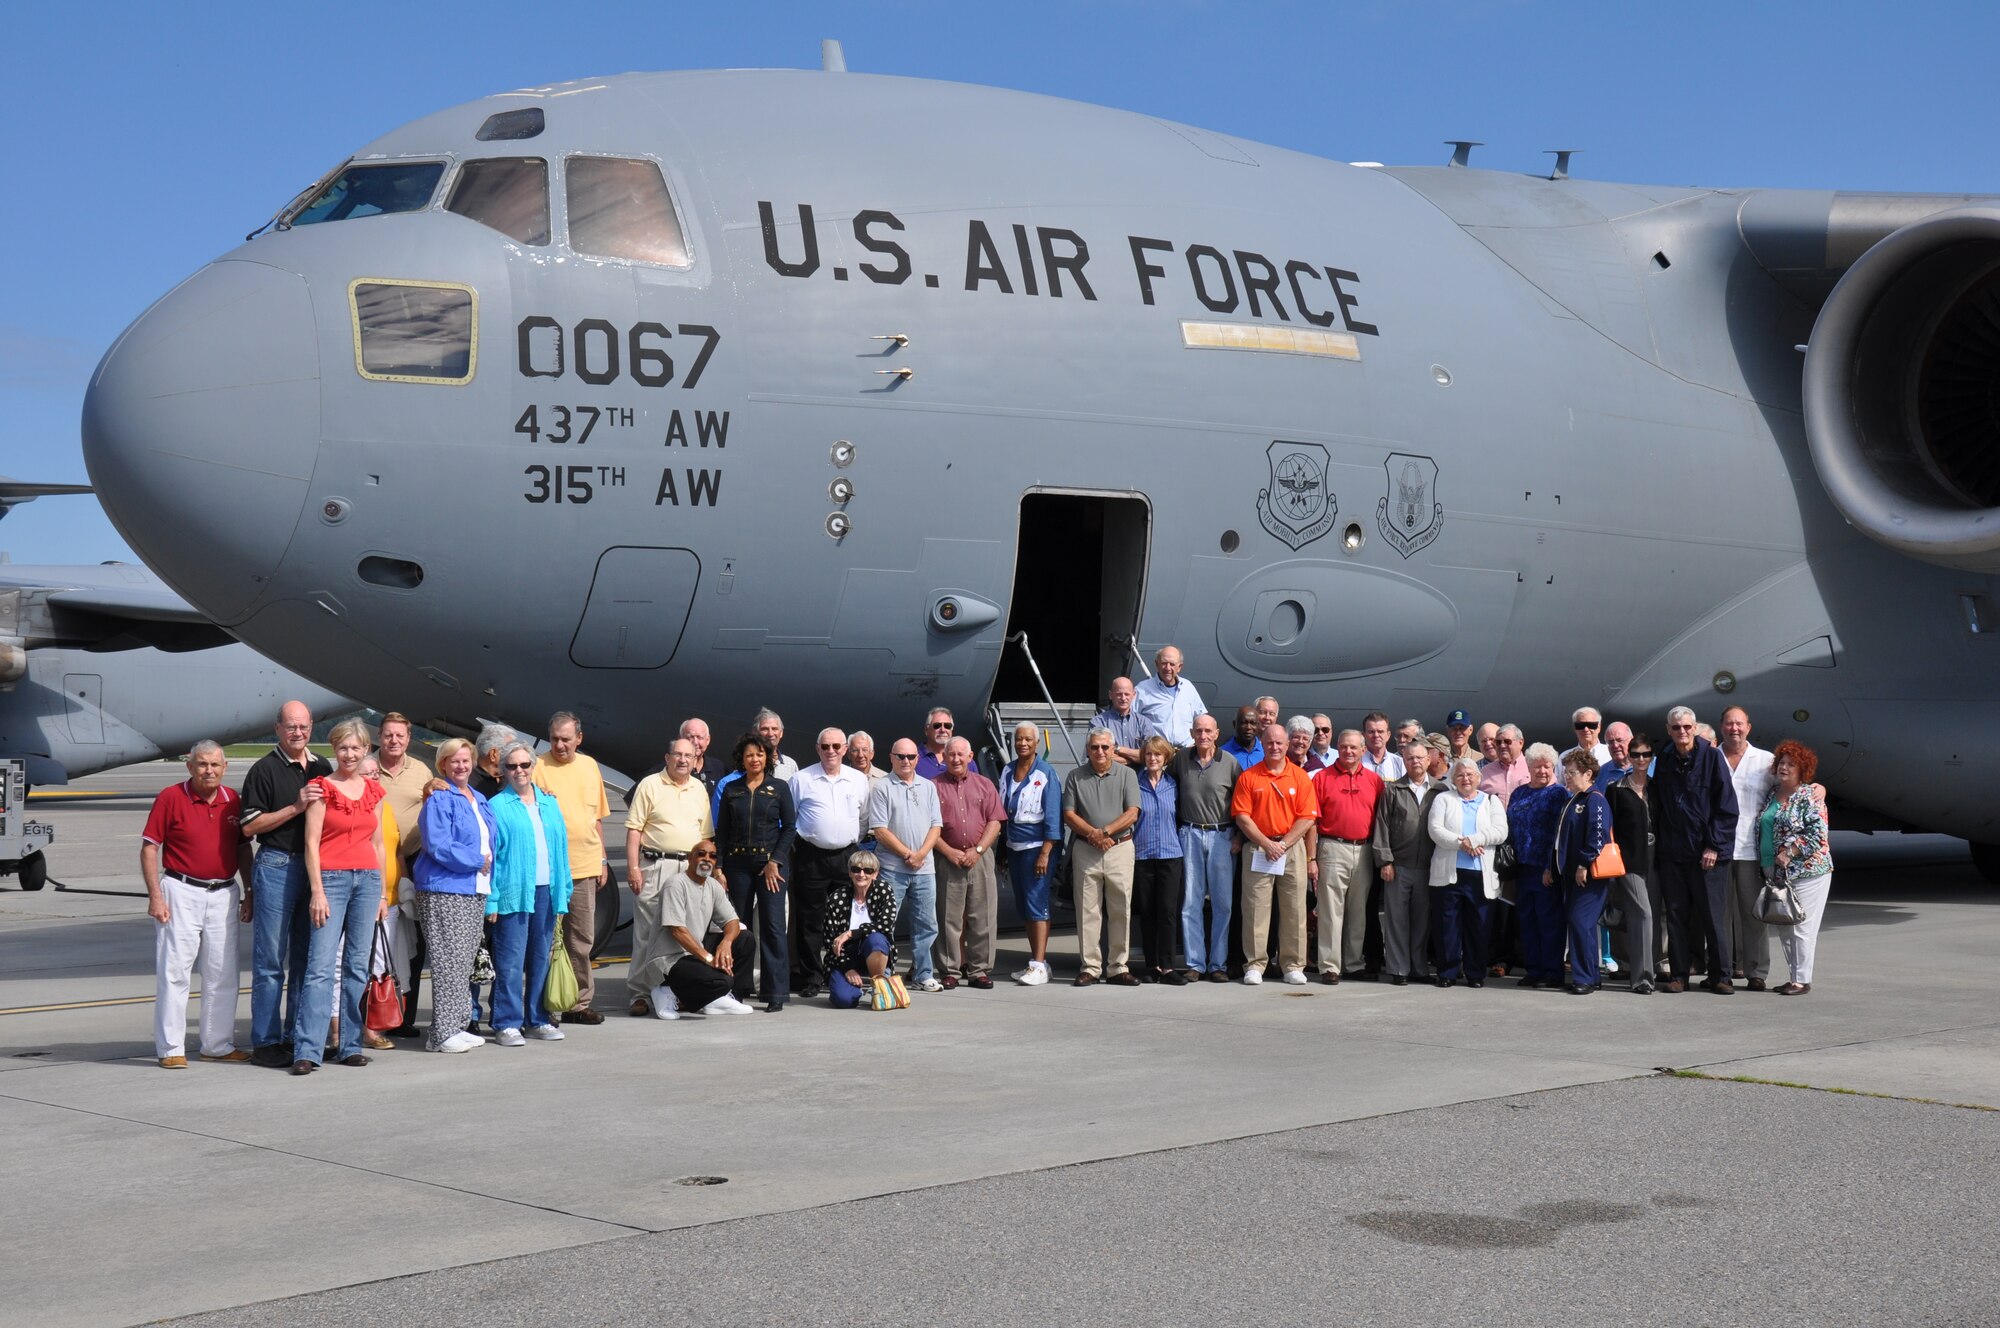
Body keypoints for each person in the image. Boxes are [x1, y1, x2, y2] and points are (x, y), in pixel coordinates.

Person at [142, 740, 253, 1069]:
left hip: (223, 892)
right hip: (180, 890)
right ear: (189, 767)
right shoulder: (170, 797)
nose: (209, 771)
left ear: (225, 767)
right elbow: (150, 849)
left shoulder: (234, 801)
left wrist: (251, 891)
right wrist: (155, 896)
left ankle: (217, 1044)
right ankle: (171, 1047)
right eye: (202, 764)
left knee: (222, 972)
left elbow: (244, 849)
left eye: (215, 765)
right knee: (175, 973)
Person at [239, 700, 331, 1067]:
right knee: (270, 961)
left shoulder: (322, 767)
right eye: (291, 726)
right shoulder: (264, 770)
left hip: (314, 870)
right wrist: (295, 807)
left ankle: (295, 1037)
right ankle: (265, 1041)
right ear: (277, 728)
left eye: (304, 726)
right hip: (277, 864)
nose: (298, 732)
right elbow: (249, 827)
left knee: (306, 960)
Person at [294, 718, 387, 1074]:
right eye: (343, 748)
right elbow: (311, 844)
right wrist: (317, 891)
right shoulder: (322, 788)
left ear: (366, 750)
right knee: (320, 967)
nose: (349, 754)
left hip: (367, 880)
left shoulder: (375, 792)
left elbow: (377, 844)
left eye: (356, 748)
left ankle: (350, 1044)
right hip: (331, 879)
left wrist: (381, 893)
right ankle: (309, 1048)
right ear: (334, 750)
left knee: (356, 966)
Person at [412, 738, 497, 1053]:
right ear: (443, 766)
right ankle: (442, 1033)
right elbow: (437, 844)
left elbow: (491, 843)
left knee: (463, 960)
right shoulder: (440, 797)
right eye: (454, 761)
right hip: (446, 887)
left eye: (465, 760)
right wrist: (476, 860)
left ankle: (457, 1024)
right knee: (448, 959)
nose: (461, 766)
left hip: (474, 887)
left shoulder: (476, 797)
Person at [486, 740, 571, 1046]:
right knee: (509, 960)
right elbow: (493, 858)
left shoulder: (549, 803)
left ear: (533, 767)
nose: (519, 771)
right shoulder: (496, 807)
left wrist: (565, 890)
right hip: (513, 892)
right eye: (512, 766)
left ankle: (536, 1018)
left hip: (546, 891)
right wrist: (492, 899)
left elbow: (560, 849)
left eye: (525, 765)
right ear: (502, 770)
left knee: (539, 958)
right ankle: (506, 1021)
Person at [1652, 706, 1739, 994]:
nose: (1682, 732)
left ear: (1695, 727)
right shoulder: (1663, 759)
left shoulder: (1712, 757)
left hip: (1707, 854)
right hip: (1673, 853)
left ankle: (1721, 976)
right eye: (1676, 728)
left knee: (1713, 917)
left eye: (1687, 727)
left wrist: (1714, 845)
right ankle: (1679, 974)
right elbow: (1658, 805)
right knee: (1676, 916)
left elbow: (1727, 807)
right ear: (1669, 730)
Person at [623, 739, 714, 1016]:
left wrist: (705, 874)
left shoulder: (698, 788)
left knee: (685, 934)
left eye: (688, 755)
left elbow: (705, 836)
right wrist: (633, 868)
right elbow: (634, 830)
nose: (683, 760)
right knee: (646, 933)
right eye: (678, 755)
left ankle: (677, 991)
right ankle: (639, 994)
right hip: (656, 864)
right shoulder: (650, 785)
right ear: (667, 757)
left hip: (688, 868)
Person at [532, 711, 611, 1026]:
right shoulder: (538, 766)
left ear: (579, 738)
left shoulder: (590, 766)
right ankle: (547, 1003)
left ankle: (578, 1004)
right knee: (548, 940)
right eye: (554, 739)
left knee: (581, 940)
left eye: (566, 739)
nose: (560, 745)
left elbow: (597, 818)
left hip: (585, 865)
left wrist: (603, 858)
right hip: (550, 869)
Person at [1230, 722, 1318, 986]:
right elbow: (1242, 817)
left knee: (1294, 908)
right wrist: (1267, 843)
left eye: (1280, 743)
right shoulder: (1250, 776)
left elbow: (1307, 817)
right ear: (1263, 743)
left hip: (1291, 849)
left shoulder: (1300, 777)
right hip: (1259, 847)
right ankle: (1255, 964)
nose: (1275, 747)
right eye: (1270, 742)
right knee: (1256, 908)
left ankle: (1292, 965)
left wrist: (1284, 843)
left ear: (1288, 744)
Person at [714, 731, 796, 1011]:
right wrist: (720, 867)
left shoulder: (780, 788)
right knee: (740, 927)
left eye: (759, 754)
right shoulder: (731, 789)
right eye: (749, 754)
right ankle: (738, 988)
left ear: (767, 757)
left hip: (769, 867)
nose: (755, 759)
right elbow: (722, 832)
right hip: (737, 866)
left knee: (773, 927)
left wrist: (776, 861)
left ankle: (776, 993)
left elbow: (790, 829)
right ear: (742, 758)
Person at [788, 728, 869, 999]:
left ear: (845, 749)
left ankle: (843, 971)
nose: (831, 751)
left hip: (846, 856)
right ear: (817, 748)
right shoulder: (801, 779)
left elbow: (863, 818)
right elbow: (792, 819)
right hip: (811, 856)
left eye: (836, 746)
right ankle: (811, 976)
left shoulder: (857, 779)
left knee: (848, 918)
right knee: (810, 919)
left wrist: (847, 842)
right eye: (826, 746)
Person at [1063, 728, 1142, 985]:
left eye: (1105, 747)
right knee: (1088, 910)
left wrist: (1105, 832)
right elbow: (1069, 815)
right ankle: (1091, 967)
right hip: (1086, 850)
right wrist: (1095, 835)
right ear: (1087, 749)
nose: (1100, 752)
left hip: (1119, 847)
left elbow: (1132, 812)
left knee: (1121, 908)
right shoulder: (1075, 776)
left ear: (1113, 748)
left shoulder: (1127, 774)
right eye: (1095, 747)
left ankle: (1118, 966)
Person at [648, 840, 755, 1018]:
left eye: (712, 856)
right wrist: (708, 958)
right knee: (722, 980)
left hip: (694, 953)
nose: (707, 859)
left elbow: (732, 922)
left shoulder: (713, 886)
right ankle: (664, 991)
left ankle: (724, 999)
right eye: (701, 854)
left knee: (745, 939)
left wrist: (726, 943)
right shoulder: (676, 884)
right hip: (670, 958)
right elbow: (677, 931)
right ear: (690, 858)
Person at [869, 737, 944, 991]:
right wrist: (907, 854)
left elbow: (937, 825)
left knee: (926, 925)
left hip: (925, 869)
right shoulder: (882, 787)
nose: (906, 761)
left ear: (917, 759)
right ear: (891, 757)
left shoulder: (928, 787)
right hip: (892, 868)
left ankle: (923, 974)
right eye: (900, 756)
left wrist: (921, 854)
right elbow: (879, 829)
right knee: (885, 922)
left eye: (911, 757)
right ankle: (886, 974)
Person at [373, 713, 432, 1039]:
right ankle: (375, 1015)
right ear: (379, 737)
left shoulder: (420, 771)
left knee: (413, 945)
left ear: (408, 739)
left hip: (413, 859)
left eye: (400, 736)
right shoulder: (367, 768)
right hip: (375, 862)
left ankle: (404, 1018)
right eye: (388, 735)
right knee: (378, 943)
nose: (394, 741)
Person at [1308, 729, 1382, 983]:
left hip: (1363, 849)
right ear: (1337, 748)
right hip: (1332, 847)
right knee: (1330, 909)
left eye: (1353, 747)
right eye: (1343, 747)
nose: (1348, 751)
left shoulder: (1374, 780)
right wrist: (1312, 858)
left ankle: (1353, 962)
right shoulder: (1322, 778)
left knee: (1358, 909)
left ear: (1363, 750)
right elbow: (1312, 821)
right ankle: (1329, 965)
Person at [1427, 757, 1509, 988]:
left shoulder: (1491, 801)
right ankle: (1448, 972)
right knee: (1447, 926)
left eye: (1470, 774)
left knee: (1479, 926)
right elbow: (1435, 830)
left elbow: (1500, 831)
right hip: (1448, 874)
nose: (1465, 779)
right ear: (1453, 779)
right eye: (1460, 775)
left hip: (1481, 875)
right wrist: (1460, 843)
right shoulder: (1443, 799)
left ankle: (1475, 973)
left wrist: (1474, 840)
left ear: (1478, 778)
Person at [932, 737, 1006, 989]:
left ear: (970, 756)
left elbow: (995, 821)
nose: (955, 759)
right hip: (946, 858)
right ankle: (949, 970)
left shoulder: (985, 785)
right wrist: (948, 851)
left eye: (960, 754)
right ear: (944, 757)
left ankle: (979, 970)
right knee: (947, 917)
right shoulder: (933, 787)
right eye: (951, 754)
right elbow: (928, 826)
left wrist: (978, 850)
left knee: (982, 916)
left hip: (980, 858)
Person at [1173, 713, 1239, 983]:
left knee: (1223, 903)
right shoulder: (1180, 760)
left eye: (1207, 731)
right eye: (1198, 730)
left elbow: (1241, 801)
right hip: (1190, 834)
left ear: (1216, 733)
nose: (1203, 735)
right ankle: (1195, 963)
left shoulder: (1230, 763)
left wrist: (1239, 837)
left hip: (1222, 835)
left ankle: (1218, 964)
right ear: (1191, 732)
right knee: (1191, 902)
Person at [1763, 740, 1832, 996]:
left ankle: (1802, 980)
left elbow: (1818, 834)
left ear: (1802, 769)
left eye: (1791, 764)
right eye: (1781, 762)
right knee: (1785, 925)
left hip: (1809, 871)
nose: (1784, 767)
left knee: (1802, 927)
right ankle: (1794, 976)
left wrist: (1790, 852)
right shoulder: (1773, 793)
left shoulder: (1809, 796)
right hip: (1780, 872)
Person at [1369, 739, 1437, 986]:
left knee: (1421, 920)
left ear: (1429, 759)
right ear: (1404, 762)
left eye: (1419, 757)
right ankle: (1398, 968)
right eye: (1410, 758)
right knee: (1396, 919)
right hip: (1398, 866)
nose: (1415, 762)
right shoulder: (1393, 790)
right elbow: (1382, 827)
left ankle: (1418, 968)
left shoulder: (1439, 791)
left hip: (1429, 867)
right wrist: (1385, 860)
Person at [999, 722, 1063, 985]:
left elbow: (1053, 816)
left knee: (1037, 903)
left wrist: (1046, 853)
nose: (1022, 743)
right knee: (1024, 905)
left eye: (1028, 739)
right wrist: (1002, 849)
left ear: (1037, 743)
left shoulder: (1046, 773)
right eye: (1018, 739)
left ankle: (1039, 963)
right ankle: (1036, 963)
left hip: (1038, 848)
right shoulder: (1006, 771)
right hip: (1014, 847)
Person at [1718, 706, 1775, 991]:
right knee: (1721, 915)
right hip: (1718, 849)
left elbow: (1789, 788)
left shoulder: (1765, 761)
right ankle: (1723, 970)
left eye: (1739, 724)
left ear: (1748, 727)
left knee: (1754, 915)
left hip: (1751, 851)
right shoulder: (1710, 758)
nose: (1734, 729)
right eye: (1729, 724)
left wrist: (1818, 788)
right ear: (1721, 727)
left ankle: (1756, 972)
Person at [1550, 751, 1613, 995]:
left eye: (1572, 772)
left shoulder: (1594, 799)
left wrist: (1584, 864)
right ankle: (1589, 975)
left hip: (1588, 875)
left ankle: (1584, 977)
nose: (1567, 776)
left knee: (1581, 922)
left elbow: (1598, 834)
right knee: (1580, 924)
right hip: (1570, 874)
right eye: (1565, 772)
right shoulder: (1573, 799)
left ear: (1588, 774)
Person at [1507, 745, 1570, 990]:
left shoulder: (1558, 794)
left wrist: (1549, 868)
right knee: (1527, 920)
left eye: (1547, 766)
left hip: (1545, 869)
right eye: (1537, 766)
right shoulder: (1520, 793)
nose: (1542, 770)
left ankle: (1553, 972)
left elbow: (1559, 835)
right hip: (1521, 867)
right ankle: (1533, 970)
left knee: (1549, 922)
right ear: (1529, 768)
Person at [1604, 733, 1658, 993]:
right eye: (1635, 754)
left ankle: (1648, 972)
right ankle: (1642, 978)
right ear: (1629, 756)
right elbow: (1607, 829)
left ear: (1651, 757)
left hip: (1656, 858)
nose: (1640, 759)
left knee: (1650, 916)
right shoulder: (1616, 789)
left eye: (1646, 754)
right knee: (1643, 915)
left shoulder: (1657, 787)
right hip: (1628, 861)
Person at [1130, 735, 1185, 984]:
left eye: (1158, 755)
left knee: (1168, 911)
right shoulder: (1134, 783)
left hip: (1170, 854)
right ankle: (1151, 966)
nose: (1153, 759)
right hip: (1142, 854)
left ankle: (1168, 966)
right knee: (1148, 912)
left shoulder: (1174, 785)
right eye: (1149, 754)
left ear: (1166, 758)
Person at [822, 851, 901, 1009]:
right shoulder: (837, 898)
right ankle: (855, 989)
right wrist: (847, 968)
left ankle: (878, 983)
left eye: (868, 870)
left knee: (876, 939)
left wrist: (851, 933)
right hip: (845, 955)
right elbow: (830, 939)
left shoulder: (883, 891)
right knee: (843, 1000)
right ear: (850, 872)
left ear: (875, 874)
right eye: (856, 869)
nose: (861, 874)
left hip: (873, 950)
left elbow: (886, 924)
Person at [1132, 645, 1204, 746]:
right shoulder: (1142, 690)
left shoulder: (1188, 688)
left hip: (1186, 752)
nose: (1167, 668)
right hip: (1158, 754)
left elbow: (1201, 718)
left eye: (1172, 664)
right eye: (1164, 663)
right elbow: (1128, 719)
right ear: (1157, 664)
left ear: (1179, 667)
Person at [846, 731, 891, 852]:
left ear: (872, 753)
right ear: (848, 754)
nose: (860, 755)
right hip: (848, 843)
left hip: (878, 843)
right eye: (855, 750)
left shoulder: (885, 779)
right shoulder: (841, 779)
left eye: (865, 750)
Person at [1093, 678, 1147, 767]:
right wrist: (1135, 759)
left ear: (1134, 695)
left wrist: (1117, 749)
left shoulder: (1144, 722)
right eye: (1119, 694)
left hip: (1138, 778)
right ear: (1110, 695)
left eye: (1127, 694)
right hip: (1109, 777)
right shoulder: (1098, 722)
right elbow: (1100, 755)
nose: (1123, 698)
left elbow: (1151, 755)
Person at [1479, 724, 1529, 799]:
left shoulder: (1533, 767)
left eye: (1507, 741)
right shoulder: (1484, 772)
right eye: (1498, 742)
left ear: (1520, 743)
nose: (1502, 746)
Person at [471, 722, 517, 798]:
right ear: (493, 754)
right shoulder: (466, 781)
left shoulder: (509, 781)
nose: (514, 757)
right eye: (510, 751)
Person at [681, 717, 725, 793]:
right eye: (690, 737)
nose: (695, 742)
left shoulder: (719, 769)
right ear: (680, 739)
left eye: (699, 737)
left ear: (708, 740)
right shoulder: (671, 769)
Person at [915, 707, 961, 779]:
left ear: (951, 730)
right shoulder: (911, 758)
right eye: (937, 726)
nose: (943, 730)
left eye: (947, 726)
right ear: (926, 730)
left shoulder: (964, 758)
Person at [754, 708, 800, 780]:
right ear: (756, 733)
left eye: (774, 729)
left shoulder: (791, 764)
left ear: (781, 733)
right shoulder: (750, 762)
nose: (770, 734)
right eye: (765, 729)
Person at [1359, 712, 1405, 781]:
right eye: (1371, 732)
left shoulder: (1400, 764)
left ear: (1388, 735)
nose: (1376, 735)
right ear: (1363, 735)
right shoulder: (1356, 762)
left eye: (1380, 731)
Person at [1593, 722, 1635, 792]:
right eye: (1610, 742)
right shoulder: (1601, 773)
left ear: (1632, 741)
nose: (1615, 745)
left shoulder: (1651, 765)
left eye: (1620, 740)